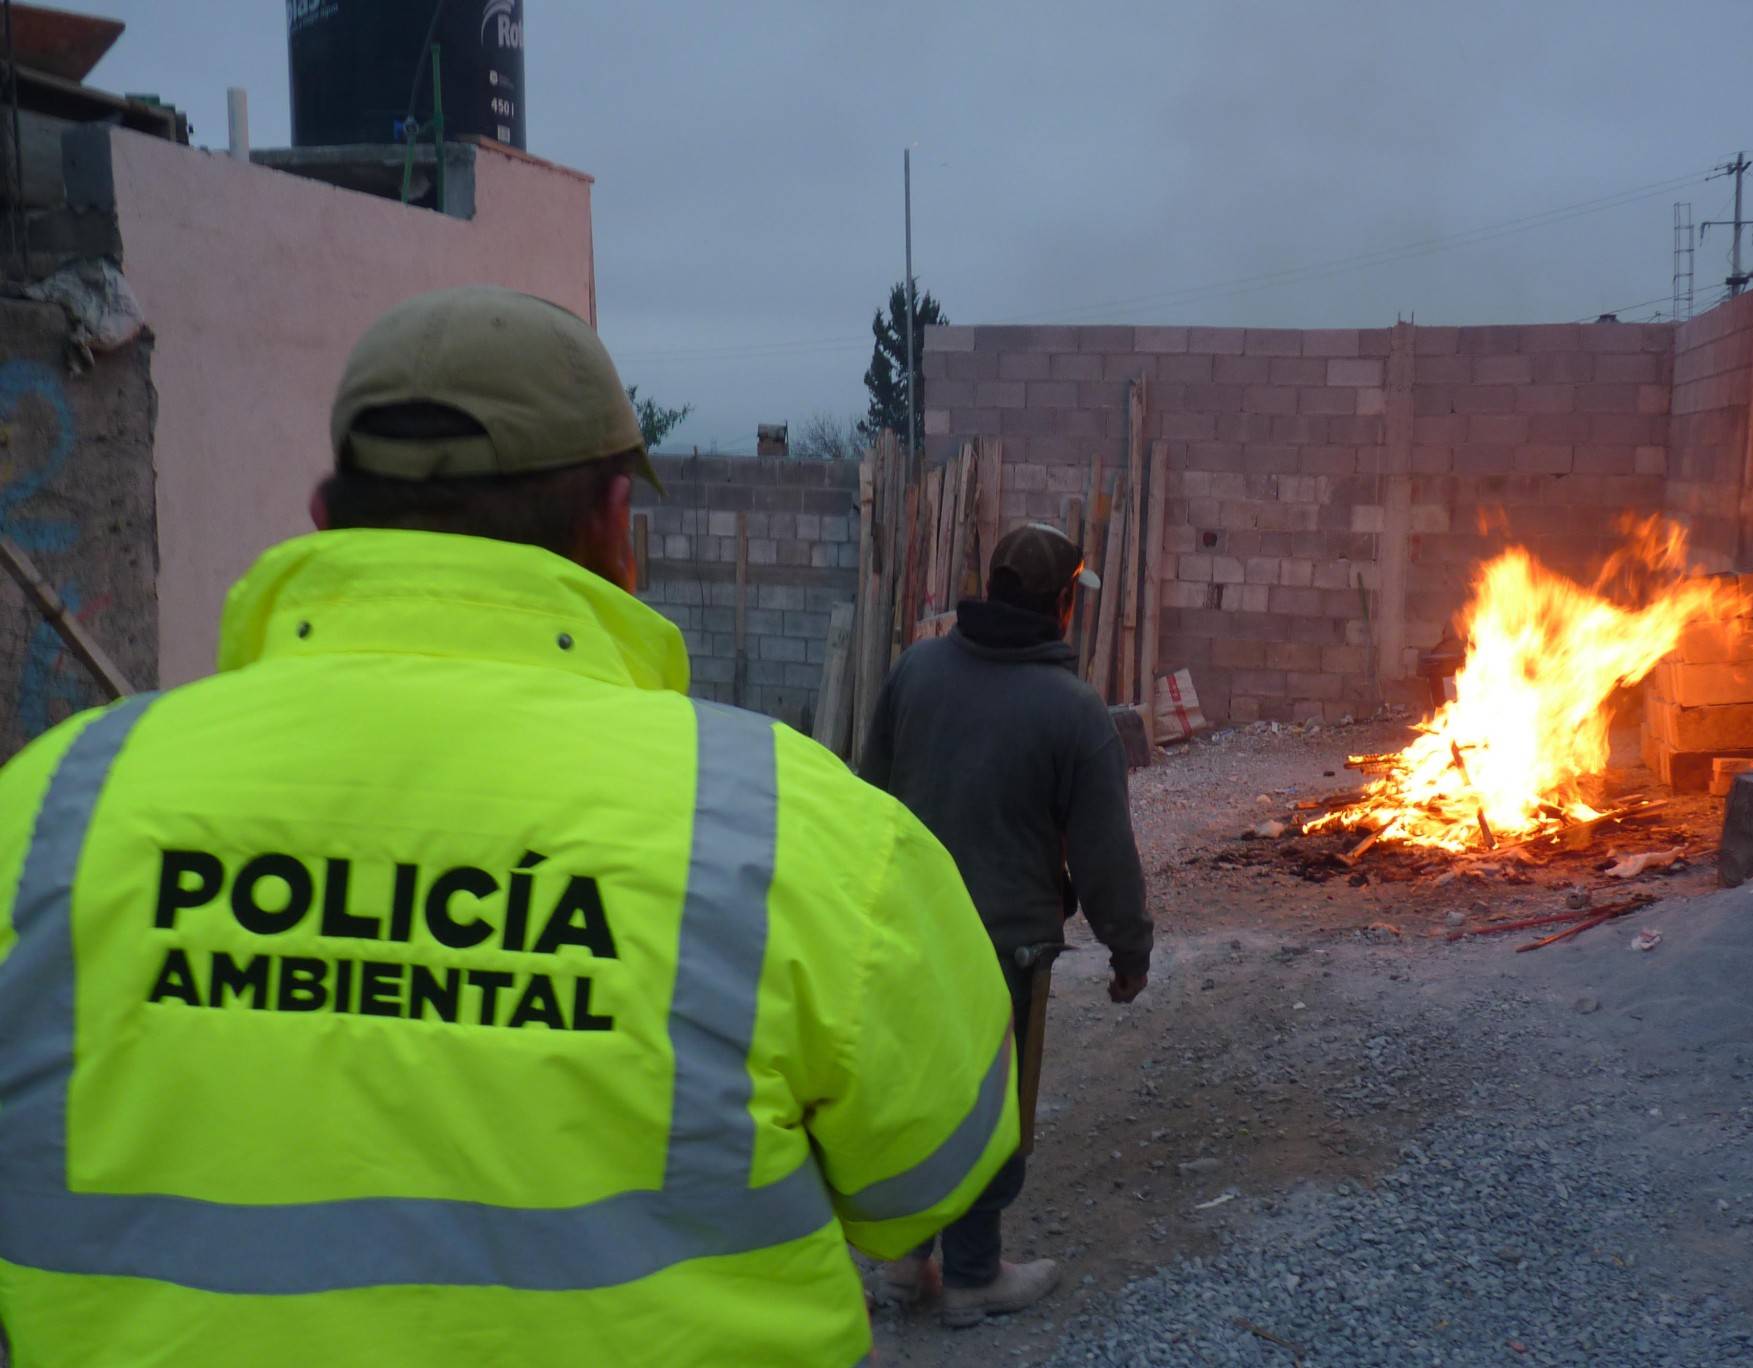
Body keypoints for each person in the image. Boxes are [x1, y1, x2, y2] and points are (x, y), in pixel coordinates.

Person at [0, 286, 1018, 1366]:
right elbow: (931, 1180)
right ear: (617, 528)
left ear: (322, 518)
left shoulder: (52, 809)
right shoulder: (798, 830)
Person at [859, 520, 1152, 1328]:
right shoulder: (1072, 709)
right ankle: (975, 1275)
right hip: (1004, 948)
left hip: (907, 935)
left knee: (915, 1090)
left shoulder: (916, 671)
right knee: (990, 1108)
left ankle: (901, 1260)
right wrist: (1131, 950)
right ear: (1064, 606)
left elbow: (866, 797)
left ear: (989, 588)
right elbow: (1103, 855)